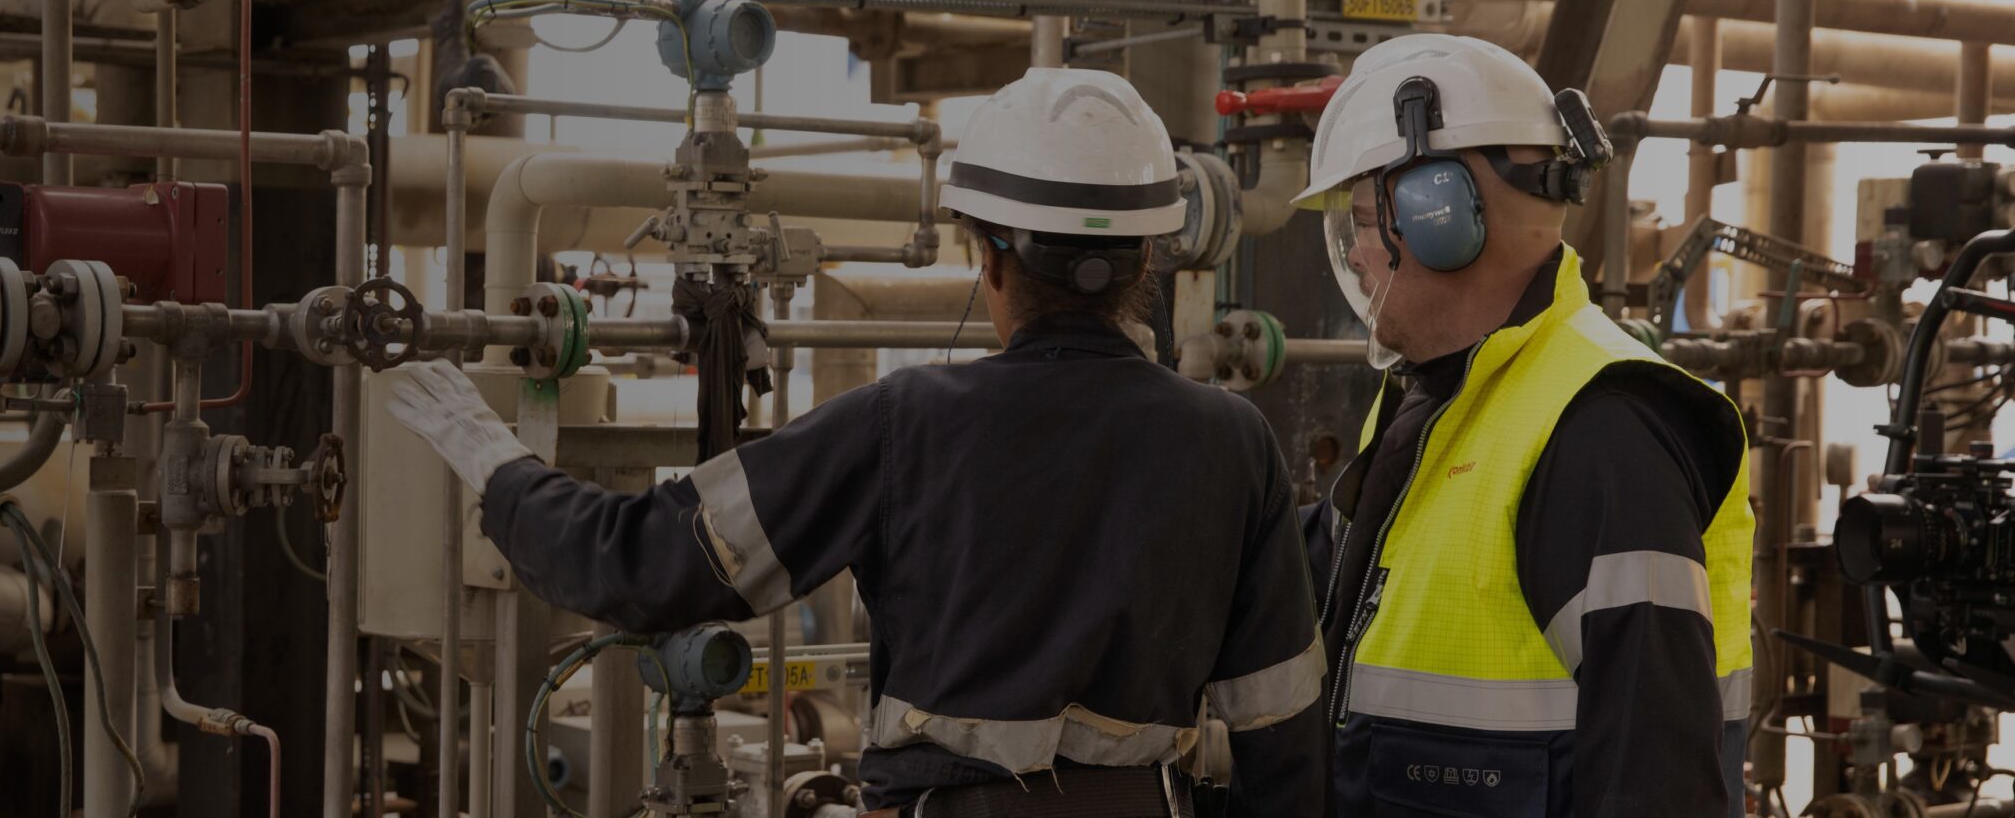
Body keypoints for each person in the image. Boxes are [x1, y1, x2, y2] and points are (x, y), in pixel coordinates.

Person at [386, 67, 1326, 817]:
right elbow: (1283, 742)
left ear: (987, 255)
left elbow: (643, 566)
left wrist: (498, 467)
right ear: (1150, 256)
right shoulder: (1235, 443)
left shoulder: (905, 425)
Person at [1291, 34, 1755, 817]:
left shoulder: (1602, 429)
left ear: (1439, 214)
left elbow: (1658, 786)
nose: (1360, 258)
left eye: (1366, 223)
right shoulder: (1438, 398)